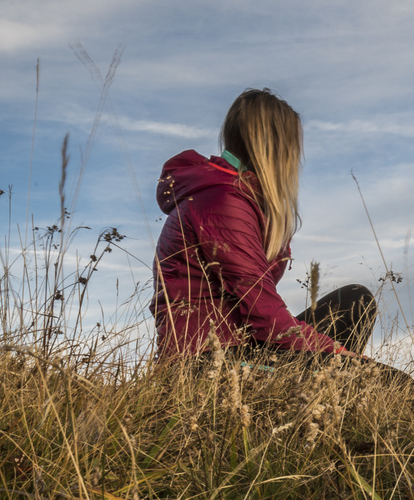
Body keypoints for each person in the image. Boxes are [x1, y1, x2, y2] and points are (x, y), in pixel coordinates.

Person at [151, 88, 377, 361]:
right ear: (274, 147)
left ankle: (330, 387)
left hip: (241, 343)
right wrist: (338, 351)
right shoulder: (222, 201)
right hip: (210, 358)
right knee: (397, 385)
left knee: (355, 301)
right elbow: (263, 311)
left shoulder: (240, 196)